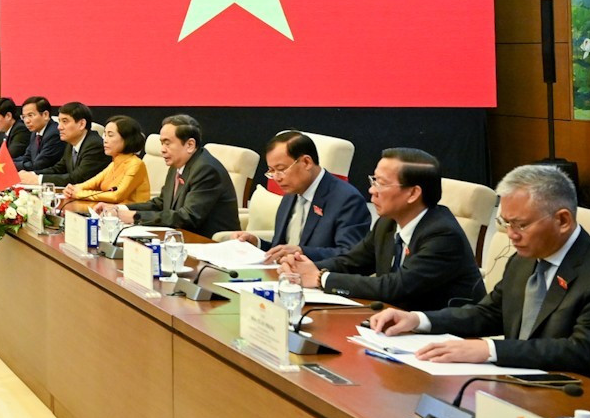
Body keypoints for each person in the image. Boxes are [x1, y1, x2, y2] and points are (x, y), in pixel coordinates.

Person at [365, 163, 590, 387]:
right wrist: (418, 319)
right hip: (519, 385)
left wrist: (490, 350)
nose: (511, 235)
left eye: (521, 224)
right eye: (505, 223)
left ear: (563, 220)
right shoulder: (522, 261)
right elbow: (488, 313)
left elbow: (583, 351)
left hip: (584, 397)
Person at [279, 148, 484, 311]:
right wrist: (302, 267)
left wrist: (319, 277)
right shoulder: (388, 223)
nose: (372, 190)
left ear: (413, 193)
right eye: (373, 180)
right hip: (395, 323)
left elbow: (395, 287)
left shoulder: (442, 234)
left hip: (446, 335)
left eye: (381, 183)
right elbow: (352, 262)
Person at [229, 131, 370, 264]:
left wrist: (302, 252)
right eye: (272, 171)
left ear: (306, 162)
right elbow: (282, 248)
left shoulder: (346, 199)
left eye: (281, 169)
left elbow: (351, 255)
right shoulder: (291, 194)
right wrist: (257, 243)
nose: (276, 178)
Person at [111, 114, 239, 236]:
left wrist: (135, 217)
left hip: (211, 244)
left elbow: (188, 217)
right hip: (180, 238)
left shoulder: (206, 170)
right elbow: (161, 203)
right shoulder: (178, 164)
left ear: (190, 145)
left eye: (168, 143)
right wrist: (121, 209)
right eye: (162, 143)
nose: (162, 149)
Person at [64, 116, 152, 208]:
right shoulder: (114, 163)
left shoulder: (136, 164)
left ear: (127, 139)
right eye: (105, 135)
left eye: (110, 135)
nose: (105, 140)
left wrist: (79, 194)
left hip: (132, 217)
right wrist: (73, 189)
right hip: (110, 213)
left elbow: (116, 196)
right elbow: (90, 183)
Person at [19, 101, 105, 187]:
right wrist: (31, 174)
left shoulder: (94, 145)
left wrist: (38, 179)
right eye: (59, 121)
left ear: (81, 124)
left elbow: (78, 178)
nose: (59, 127)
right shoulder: (71, 143)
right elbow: (59, 169)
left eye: (65, 121)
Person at [10, 96, 65, 173]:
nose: (26, 121)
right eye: (24, 117)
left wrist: (9, 165)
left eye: (30, 115)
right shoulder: (35, 133)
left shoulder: (54, 134)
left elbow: (39, 165)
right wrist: (5, 161)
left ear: (45, 115)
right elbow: (27, 157)